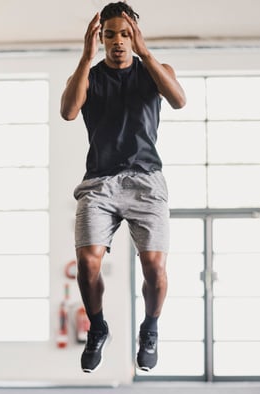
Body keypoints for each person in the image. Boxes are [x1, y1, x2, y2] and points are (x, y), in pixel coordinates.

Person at [60, 1, 186, 373]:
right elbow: (68, 111)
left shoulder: (154, 72)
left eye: (126, 34)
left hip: (146, 181)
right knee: (86, 262)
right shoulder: (89, 76)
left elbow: (179, 100)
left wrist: (145, 53)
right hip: (99, 182)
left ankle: (149, 329)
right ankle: (98, 328)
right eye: (110, 34)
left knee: (154, 266)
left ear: (135, 36)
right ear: (101, 38)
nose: (118, 41)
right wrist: (85, 56)